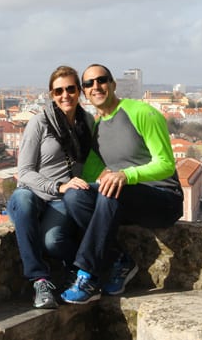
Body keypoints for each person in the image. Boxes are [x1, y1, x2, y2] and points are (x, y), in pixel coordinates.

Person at [60, 64, 184, 304]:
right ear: (85, 92)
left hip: (164, 199)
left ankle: (88, 274)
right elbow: (89, 176)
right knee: (76, 196)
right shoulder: (97, 129)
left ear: (113, 84)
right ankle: (120, 260)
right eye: (89, 84)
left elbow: (166, 164)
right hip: (125, 201)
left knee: (111, 187)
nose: (96, 86)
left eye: (101, 80)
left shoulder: (141, 112)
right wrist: (62, 187)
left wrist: (127, 175)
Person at [7, 65, 93, 309]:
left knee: (53, 241)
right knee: (23, 201)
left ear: (79, 91)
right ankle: (40, 280)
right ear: (51, 95)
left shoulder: (87, 122)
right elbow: (24, 171)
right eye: (58, 91)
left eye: (70, 89)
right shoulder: (39, 122)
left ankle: (77, 270)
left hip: (61, 200)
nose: (65, 95)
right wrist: (59, 186)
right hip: (33, 193)